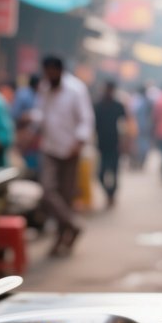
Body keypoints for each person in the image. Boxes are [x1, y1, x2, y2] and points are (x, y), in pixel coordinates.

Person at [38, 54, 95, 255]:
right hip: (50, 148)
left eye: (53, 71)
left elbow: (86, 119)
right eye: (47, 72)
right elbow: (43, 115)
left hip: (70, 150)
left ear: (61, 71)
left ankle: (62, 239)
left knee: (65, 197)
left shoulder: (76, 89)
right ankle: (74, 225)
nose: (50, 75)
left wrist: (78, 143)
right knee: (47, 192)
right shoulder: (45, 88)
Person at [93, 81, 127, 207]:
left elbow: (123, 125)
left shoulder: (118, 106)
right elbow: (93, 126)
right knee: (100, 174)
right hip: (101, 145)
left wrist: (124, 142)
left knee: (114, 172)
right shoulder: (97, 106)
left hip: (115, 145)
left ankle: (112, 194)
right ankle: (108, 193)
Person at [129, 86, 152, 169]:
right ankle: (140, 162)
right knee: (142, 145)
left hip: (138, 126)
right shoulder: (147, 101)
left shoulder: (136, 101)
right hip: (144, 126)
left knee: (137, 145)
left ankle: (137, 162)